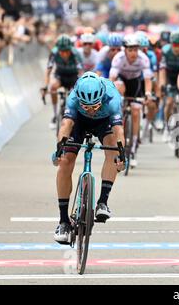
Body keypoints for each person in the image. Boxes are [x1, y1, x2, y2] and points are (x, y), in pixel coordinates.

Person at [51, 72, 125, 244]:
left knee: (113, 151)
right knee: (66, 161)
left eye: (95, 105)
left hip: (104, 122)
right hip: (79, 122)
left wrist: (122, 155)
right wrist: (59, 149)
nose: (91, 110)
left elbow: (119, 130)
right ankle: (63, 221)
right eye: (86, 106)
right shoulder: (74, 97)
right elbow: (66, 125)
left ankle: (102, 202)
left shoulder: (112, 96)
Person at [110, 34, 154, 168]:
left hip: (136, 84)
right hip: (122, 82)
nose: (133, 53)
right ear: (125, 50)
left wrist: (147, 94)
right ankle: (120, 115)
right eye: (130, 50)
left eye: (135, 49)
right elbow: (112, 78)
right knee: (118, 87)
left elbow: (147, 80)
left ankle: (134, 146)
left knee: (136, 112)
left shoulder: (143, 59)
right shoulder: (118, 58)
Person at [43, 34, 83, 129]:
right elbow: (48, 70)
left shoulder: (76, 53)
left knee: (78, 93)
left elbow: (81, 72)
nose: (64, 54)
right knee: (53, 86)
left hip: (73, 76)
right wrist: (45, 86)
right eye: (62, 51)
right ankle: (55, 115)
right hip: (60, 76)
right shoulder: (54, 53)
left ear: (70, 49)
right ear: (58, 49)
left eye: (66, 51)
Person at [159, 32, 179, 129]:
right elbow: (162, 70)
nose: (177, 48)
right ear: (171, 44)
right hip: (169, 76)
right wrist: (162, 84)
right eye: (175, 45)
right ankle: (166, 125)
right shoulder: (165, 51)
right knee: (169, 102)